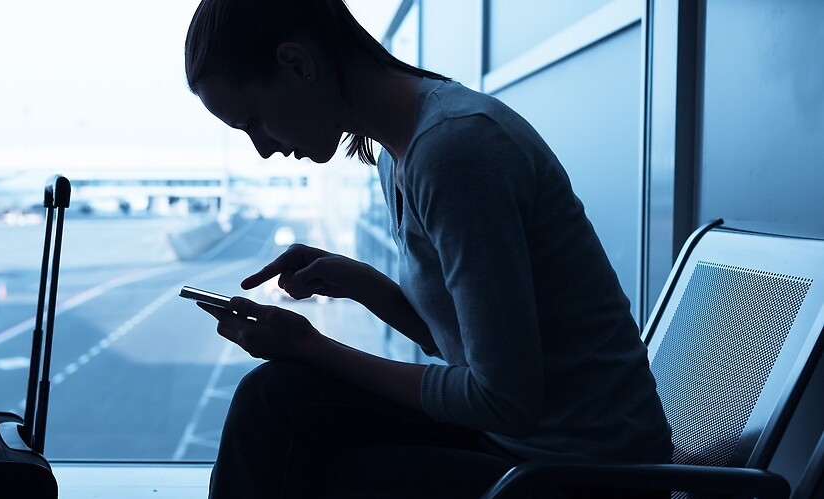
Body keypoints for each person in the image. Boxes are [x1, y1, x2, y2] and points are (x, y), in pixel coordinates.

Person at [183, 0, 672, 497]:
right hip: (523, 444)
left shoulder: (455, 152)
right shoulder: (401, 152)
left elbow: (504, 400)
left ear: (298, 64)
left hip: (586, 475)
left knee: (309, 452)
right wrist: (361, 283)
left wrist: (309, 346)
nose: (262, 149)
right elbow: (468, 350)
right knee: (272, 399)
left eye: (253, 122)